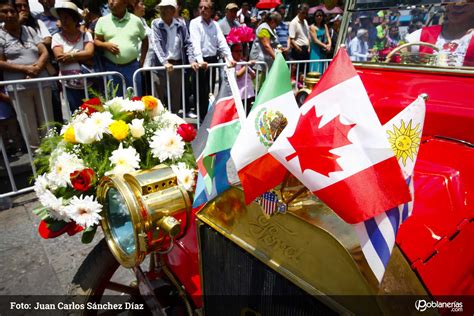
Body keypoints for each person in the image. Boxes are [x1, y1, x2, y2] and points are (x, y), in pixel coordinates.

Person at [0, 0, 53, 147]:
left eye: (12, 11)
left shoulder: (30, 30)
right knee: (28, 124)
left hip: (41, 82)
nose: (9, 15)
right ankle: (36, 156)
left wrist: (37, 66)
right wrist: (25, 69)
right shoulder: (1, 35)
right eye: (4, 11)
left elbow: (44, 51)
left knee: (47, 121)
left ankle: (53, 153)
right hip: (19, 88)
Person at [189, 0, 234, 121]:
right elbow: (195, 43)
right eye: (200, 7)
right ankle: (201, 122)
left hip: (212, 60)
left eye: (206, 8)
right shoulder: (194, 23)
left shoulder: (215, 25)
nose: (203, 10)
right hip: (201, 62)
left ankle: (208, 120)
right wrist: (199, 60)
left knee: (209, 92)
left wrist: (230, 58)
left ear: (211, 10)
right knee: (200, 93)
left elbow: (222, 42)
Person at [150, 0, 198, 114]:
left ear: (172, 10)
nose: (162, 11)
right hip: (160, 67)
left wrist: (192, 60)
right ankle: (158, 125)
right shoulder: (156, 24)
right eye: (161, 8)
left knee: (175, 98)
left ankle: (174, 125)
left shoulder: (181, 25)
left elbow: (188, 43)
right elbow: (156, 43)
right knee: (158, 99)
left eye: (166, 8)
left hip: (176, 65)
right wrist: (164, 62)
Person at [94, 0, 148, 96]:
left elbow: (145, 40)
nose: (111, 2)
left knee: (135, 101)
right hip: (111, 67)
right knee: (115, 102)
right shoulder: (102, 21)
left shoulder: (136, 20)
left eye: (114, 0)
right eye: (109, 0)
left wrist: (142, 60)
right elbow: (96, 41)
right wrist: (106, 45)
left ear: (125, 3)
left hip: (132, 67)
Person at [51, 1, 94, 112]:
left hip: (89, 84)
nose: (63, 21)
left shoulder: (86, 35)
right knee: (76, 115)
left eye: (66, 17)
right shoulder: (56, 37)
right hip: (69, 86)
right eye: (61, 18)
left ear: (75, 19)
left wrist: (69, 55)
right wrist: (80, 54)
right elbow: (60, 57)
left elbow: (89, 53)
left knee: (93, 115)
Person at [405, 2, 474, 67]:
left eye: (465, 2)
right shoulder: (424, 34)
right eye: (452, 0)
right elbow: (397, 56)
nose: (457, 4)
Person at [231, 43, 255, 114]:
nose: (239, 53)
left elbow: (253, 76)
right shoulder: (231, 64)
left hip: (248, 93)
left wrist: (248, 67)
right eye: (237, 51)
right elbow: (237, 75)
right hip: (239, 94)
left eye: (240, 51)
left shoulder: (243, 62)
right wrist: (247, 66)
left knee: (247, 112)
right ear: (232, 52)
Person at [289, 3, 310, 73]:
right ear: (299, 11)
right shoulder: (293, 22)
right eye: (303, 13)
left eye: (306, 13)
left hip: (305, 49)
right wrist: (297, 48)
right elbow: (291, 39)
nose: (304, 15)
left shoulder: (305, 22)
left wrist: (309, 46)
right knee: (297, 71)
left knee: (304, 71)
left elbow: (307, 36)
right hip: (298, 49)